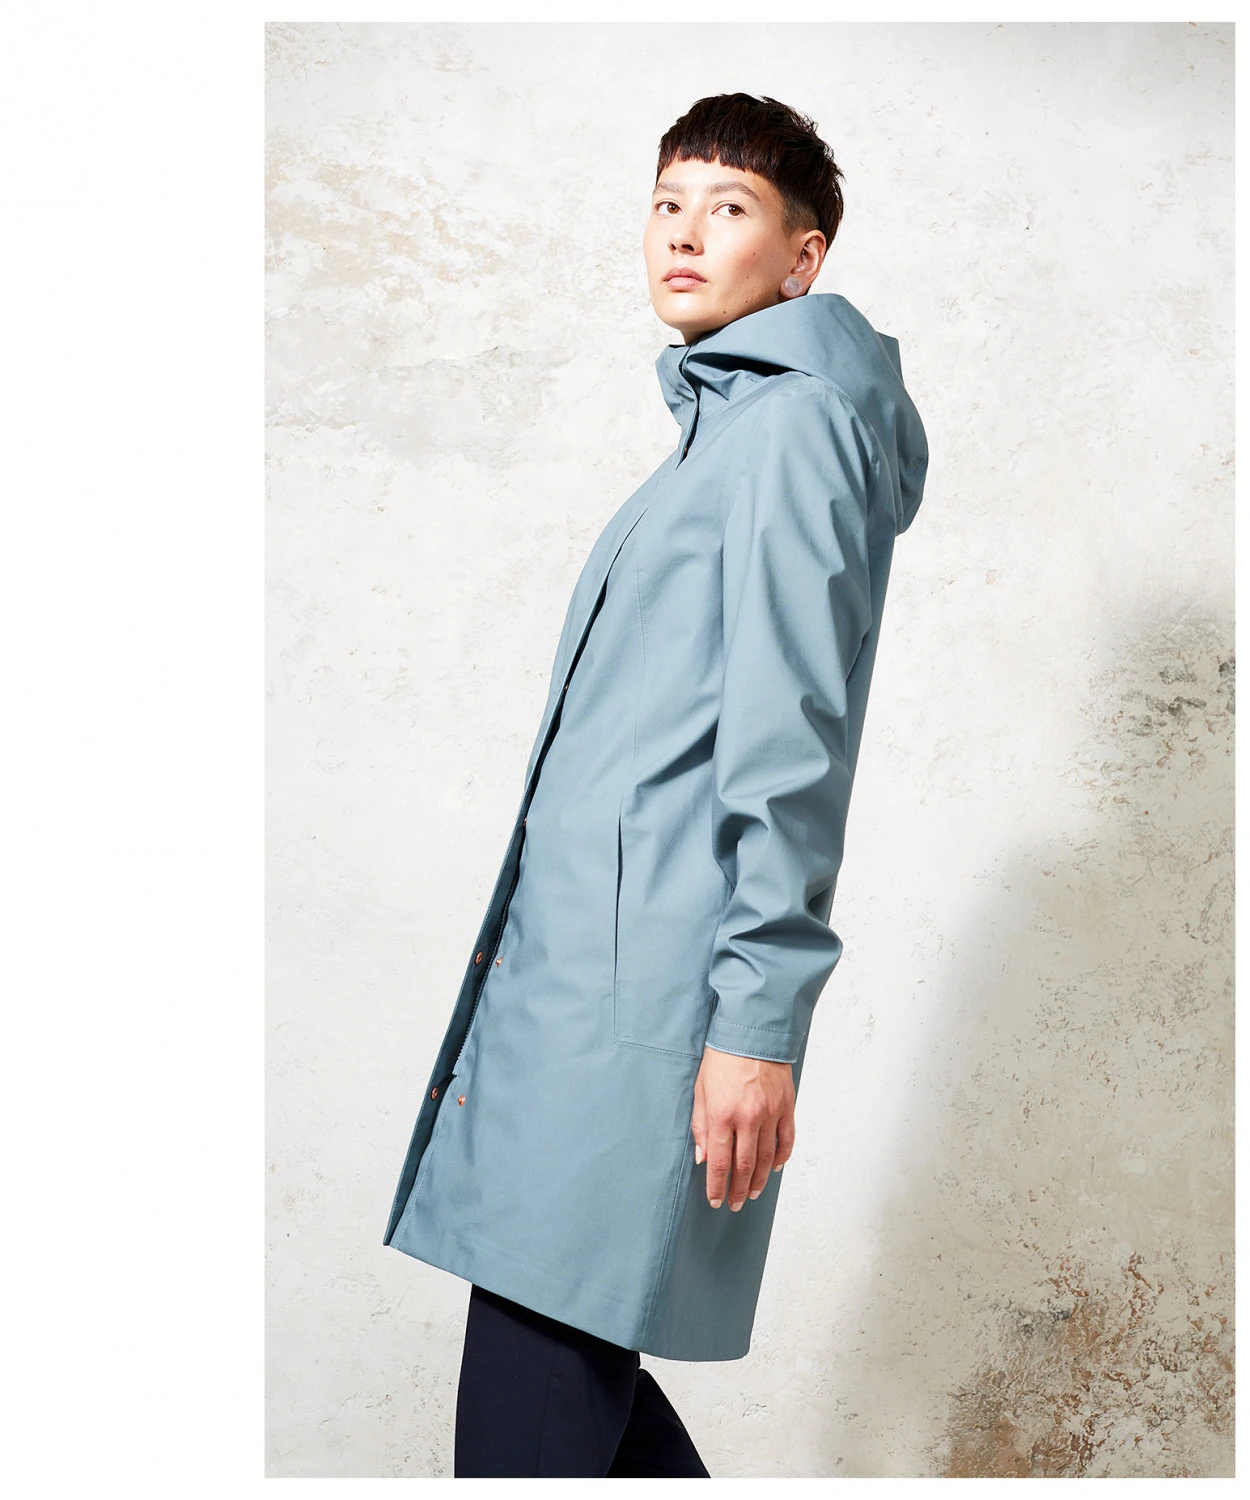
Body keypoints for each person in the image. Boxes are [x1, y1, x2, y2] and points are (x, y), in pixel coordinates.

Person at [382, 92, 929, 1478]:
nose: (685, 232)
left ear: (802, 259)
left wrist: (757, 1024)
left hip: (646, 1007)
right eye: (669, 201)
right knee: (573, 1403)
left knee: (532, 1412)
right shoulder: (721, 436)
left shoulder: (792, 432)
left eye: (729, 208)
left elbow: (794, 744)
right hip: (578, 990)